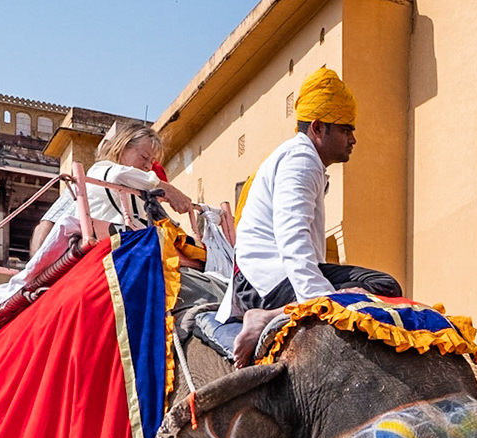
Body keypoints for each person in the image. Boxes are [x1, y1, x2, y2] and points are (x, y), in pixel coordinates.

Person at [218, 67, 404, 363]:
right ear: (317, 128)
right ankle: (266, 317)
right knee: (379, 290)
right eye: (345, 129)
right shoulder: (301, 160)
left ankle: (274, 313)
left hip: (277, 274)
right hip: (267, 280)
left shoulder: (303, 158)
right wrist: (324, 300)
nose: (353, 139)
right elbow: (293, 239)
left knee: (380, 287)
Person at [31, 122, 193, 252]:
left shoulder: (137, 194)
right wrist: (168, 189)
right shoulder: (102, 170)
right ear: (122, 148)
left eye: (152, 162)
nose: (147, 166)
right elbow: (119, 175)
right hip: (105, 246)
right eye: (144, 157)